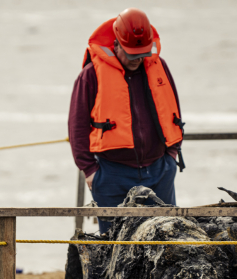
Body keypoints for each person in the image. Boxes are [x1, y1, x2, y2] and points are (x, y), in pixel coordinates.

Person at [69, 8, 184, 233]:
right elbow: (78, 126)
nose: (137, 59)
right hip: (112, 174)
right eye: (132, 53)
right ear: (117, 44)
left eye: (141, 53)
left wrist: (172, 154)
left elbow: (174, 111)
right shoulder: (90, 75)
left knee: (168, 241)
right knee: (114, 247)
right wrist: (89, 170)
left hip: (159, 170)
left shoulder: (159, 68)